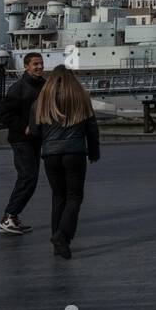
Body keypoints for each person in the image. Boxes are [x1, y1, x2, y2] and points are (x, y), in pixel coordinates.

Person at [30, 66, 101, 259]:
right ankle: (62, 236)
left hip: (51, 154)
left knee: (58, 197)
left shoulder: (41, 101)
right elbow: (92, 129)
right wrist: (94, 152)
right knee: (74, 197)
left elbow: (35, 132)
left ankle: (58, 242)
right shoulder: (80, 98)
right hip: (75, 152)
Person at [0, 52, 46, 236]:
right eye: (35, 64)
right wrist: (23, 127)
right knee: (28, 178)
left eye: (41, 63)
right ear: (26, 66)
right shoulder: (18, 88)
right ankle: (9, 217)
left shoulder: (43, 85)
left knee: (28, 179)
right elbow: (4, 113)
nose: (39, 67)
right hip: (21, 140)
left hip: (35, 139)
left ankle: (12, 217)